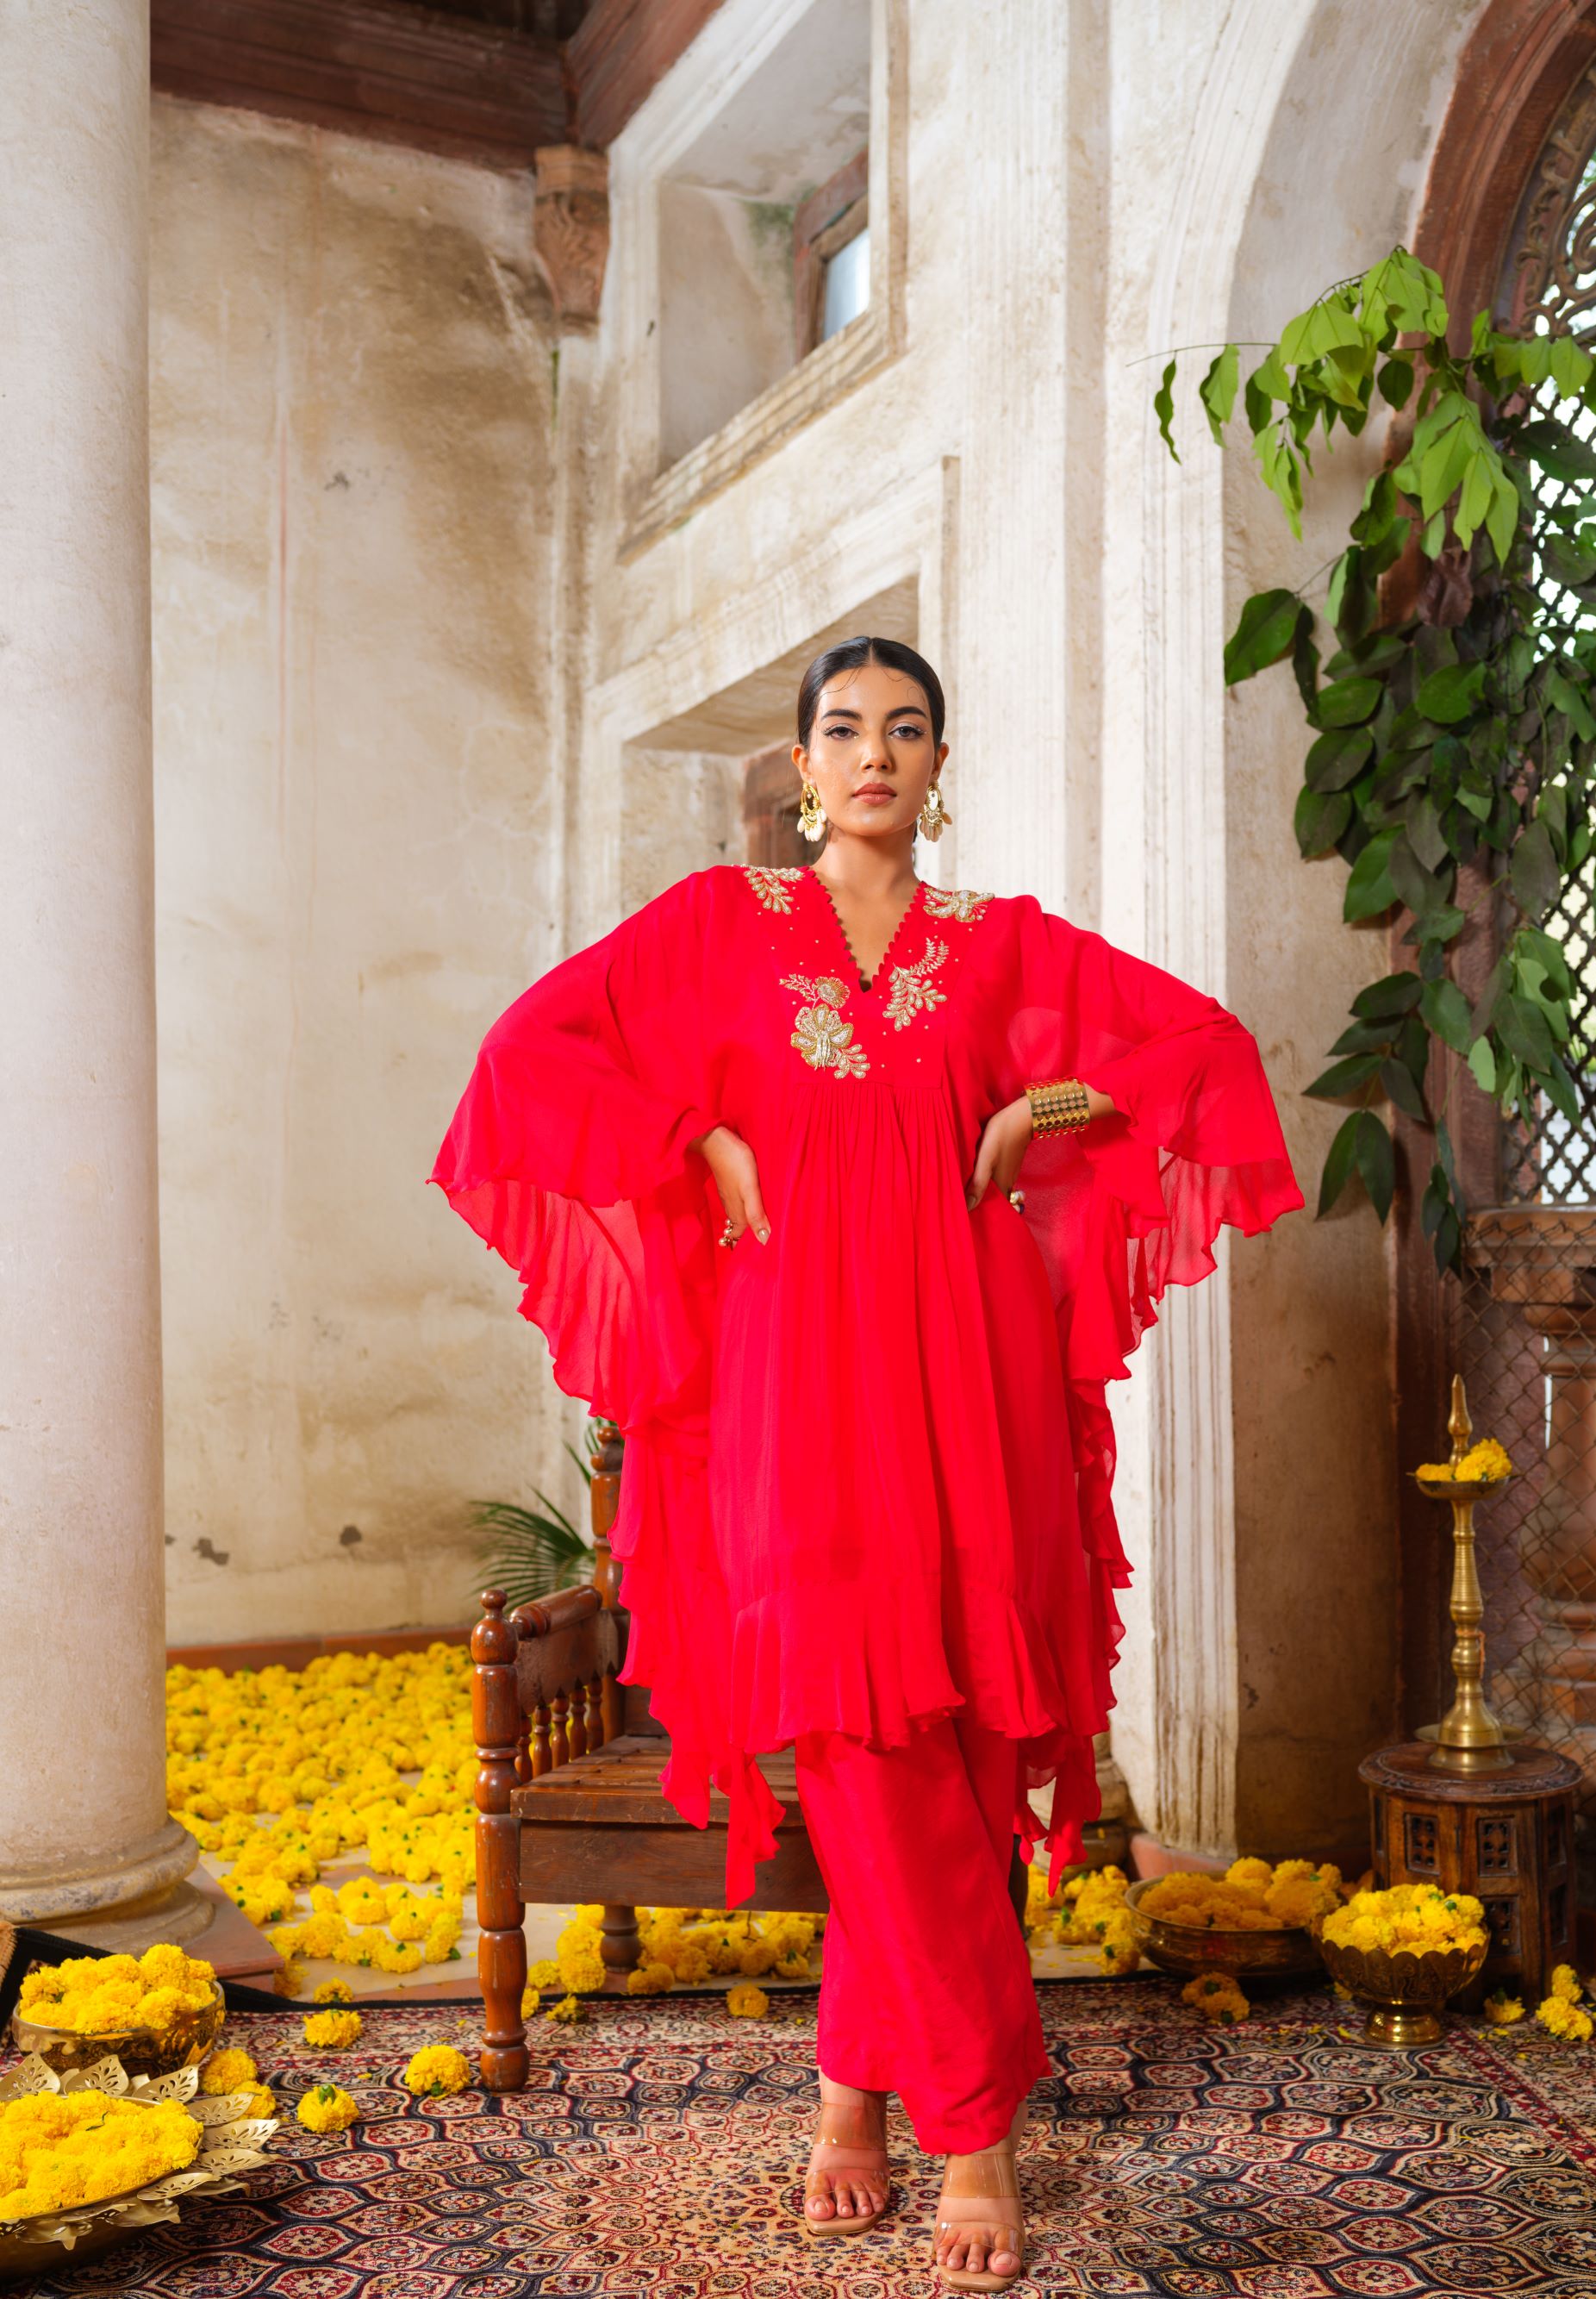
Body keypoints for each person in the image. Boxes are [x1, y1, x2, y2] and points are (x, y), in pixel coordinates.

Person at [433, 635, 1302, 2290]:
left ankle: (852, 2100)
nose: (876, 755)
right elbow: (531, 1059)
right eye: (846, 730)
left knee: (959, 1734)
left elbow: (1197, 1050)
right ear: (803, 761)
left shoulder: (1001, 946)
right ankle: (973, 2118)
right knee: (852, 1729)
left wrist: (1028, 1115)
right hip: (785, 1382)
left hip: (970, 1373)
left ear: (940, 761)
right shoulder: (716, 930)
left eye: (908, 729)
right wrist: (697, 1135)